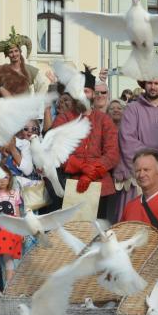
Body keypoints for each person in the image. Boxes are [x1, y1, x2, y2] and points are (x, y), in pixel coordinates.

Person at [52, 69, 120, 219]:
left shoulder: (104, 120)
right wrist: (81, 167)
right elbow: (56, 152)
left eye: (86, 91)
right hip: (69, 183)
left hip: (101, 185)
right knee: (71, 230)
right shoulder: (63, 119)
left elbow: (112, 153)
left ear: (93, 94)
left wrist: (90, 174)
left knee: (98, 230)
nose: (82, 95)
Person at [119, 76, 158, 191]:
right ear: (144, 84)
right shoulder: (132, 108)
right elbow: (127, 139)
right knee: (141, 202)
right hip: (141, 170)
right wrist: (150, 159)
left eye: (156, 83)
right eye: (149, 83)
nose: (153, 87)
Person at [0, 28, 48, 96]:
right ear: (7, 55)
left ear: (20, 52)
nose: (14, 54)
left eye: (16, 51)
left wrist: (37, 101)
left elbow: (42, 85)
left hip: (24, 102)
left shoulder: (29, 70)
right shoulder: (0, 70)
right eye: (11, 52)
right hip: (6, 102)